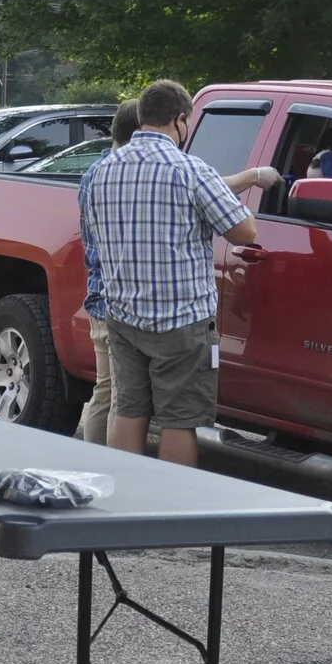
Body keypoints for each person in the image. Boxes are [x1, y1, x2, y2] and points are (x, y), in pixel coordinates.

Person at [79, 80, 280, 466]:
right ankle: (170, 505)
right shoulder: (191, 170)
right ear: (180, 120)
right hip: (181, 319)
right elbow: (244, 231)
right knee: (179, 420)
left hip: (122, 314)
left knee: (129, 409)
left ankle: (125, 495)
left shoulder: (102, 172)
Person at [74, 102, 142, 443]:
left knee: (106, 388)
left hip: (98, 293)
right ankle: (108, 467)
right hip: (115, 299)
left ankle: (92, 459)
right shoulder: (119, 174)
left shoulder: (94, 172)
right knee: (119, 394)